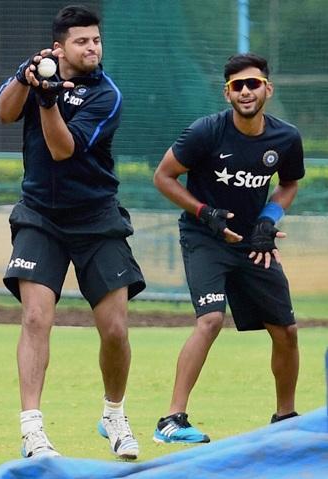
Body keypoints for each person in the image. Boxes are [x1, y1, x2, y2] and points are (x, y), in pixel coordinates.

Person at [0, 5, 146, 460]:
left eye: (97, 40)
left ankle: (113, 415)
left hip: (97, 218)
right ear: (59, 48)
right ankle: (32, 430)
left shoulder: (106, 95)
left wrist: (48, 102)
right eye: (83, 42)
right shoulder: (35, 74)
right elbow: (4, 114)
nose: (93, 48)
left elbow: (63, 149)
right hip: (40, 214)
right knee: (37, 317)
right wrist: (27, 80)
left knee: (115, 329)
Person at [152, 53, 304, 444]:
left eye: (253, 83)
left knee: (286, 329)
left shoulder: (286, 138)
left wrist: (268, 221)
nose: (246, 91)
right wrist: (205, 213)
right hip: (206, 238)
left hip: (252, 244)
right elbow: (164, 177)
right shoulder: (206, 132)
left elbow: (288, 184)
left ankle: (285, 419)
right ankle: (171, 421)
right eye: (238, 86)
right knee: (211, 320)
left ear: (267, 88)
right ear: (227, 93)